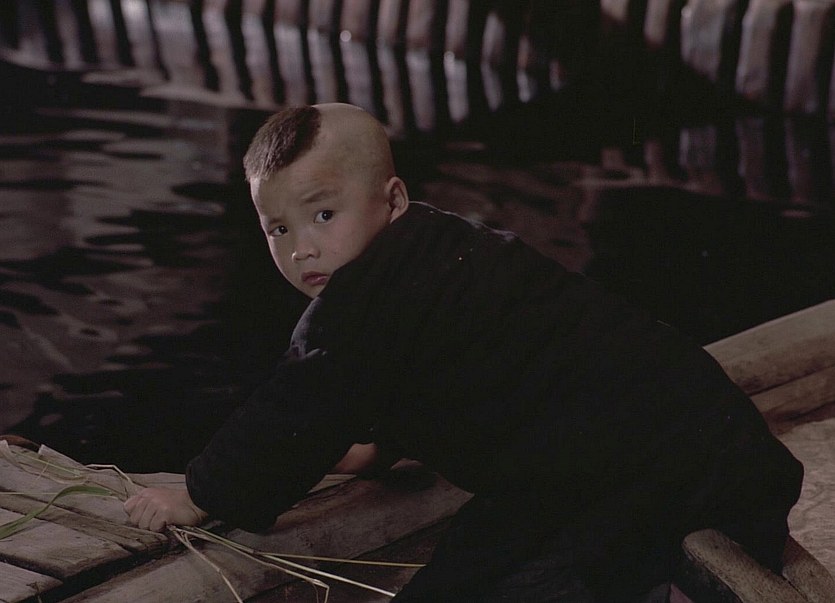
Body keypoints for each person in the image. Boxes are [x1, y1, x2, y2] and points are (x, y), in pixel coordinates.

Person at [125, 103, 803, 602]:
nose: (302, 247)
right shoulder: (447, 245)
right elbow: (436, 367)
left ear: (392, 199)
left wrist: (201, 493)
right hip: (707, 438)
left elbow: (291, 411)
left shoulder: (356, 308)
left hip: (631, 475)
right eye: (278, 228)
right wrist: (377, 448)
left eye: (323, 214)